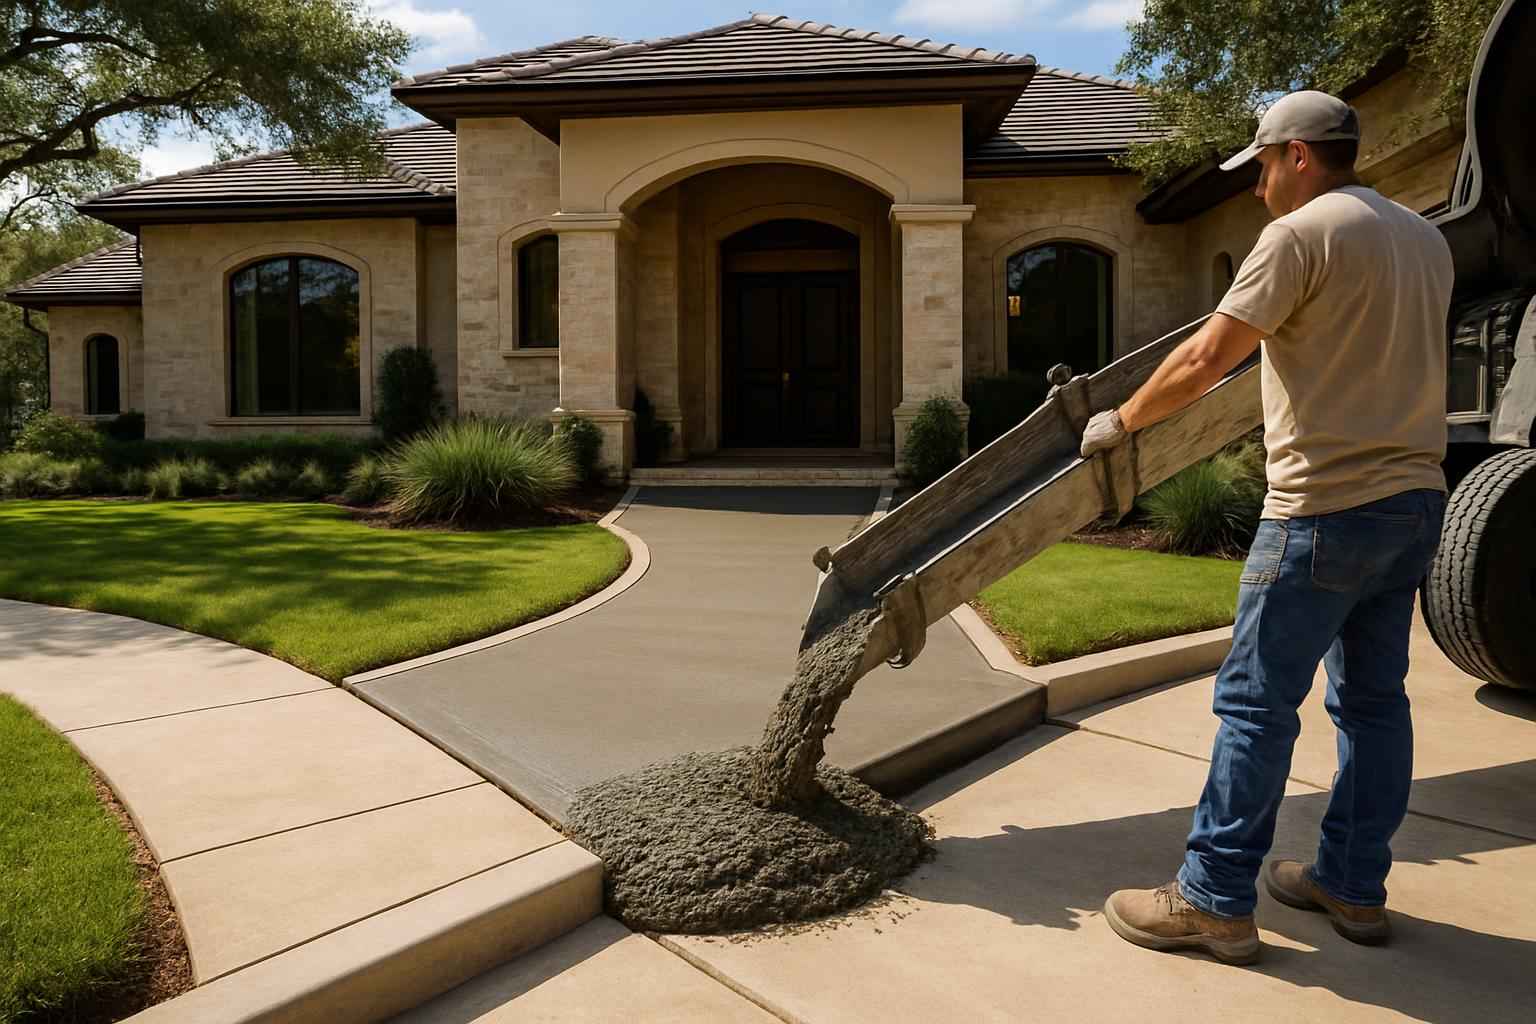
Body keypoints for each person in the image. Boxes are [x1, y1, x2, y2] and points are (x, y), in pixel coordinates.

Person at [1080, 90, 1454, 964]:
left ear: (1295, 155)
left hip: (1323, 508)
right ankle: (1352, 887)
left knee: (1254, 707)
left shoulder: (1298, 236)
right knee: (1374, 704)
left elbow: (1211, 354)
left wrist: (1122, 422)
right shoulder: (1425, 238)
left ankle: (1212, 899)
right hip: (1414, 504)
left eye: (1258, 167)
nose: (1253, 189)